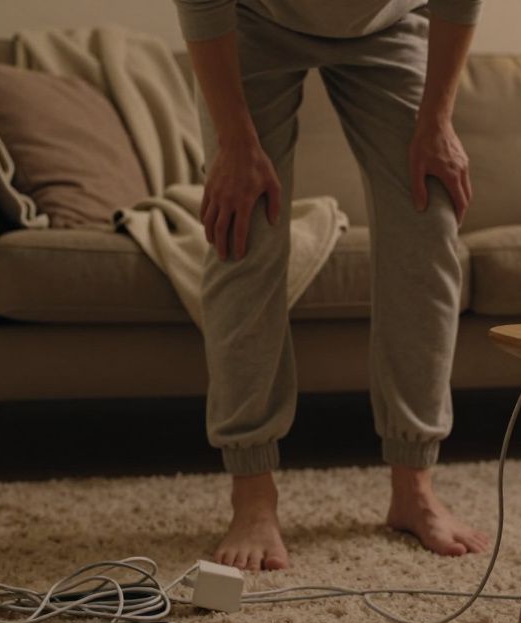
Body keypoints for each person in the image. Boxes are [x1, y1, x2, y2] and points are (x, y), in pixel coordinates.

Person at [174, 0, 487, 570]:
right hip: (253, 18)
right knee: (246, 228)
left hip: (393, 24)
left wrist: (437, 121)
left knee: (430, 218)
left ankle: (413, 488)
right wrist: (235, 146)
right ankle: (252, 495)